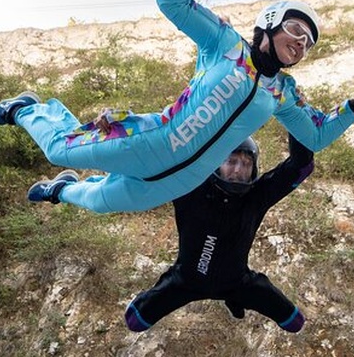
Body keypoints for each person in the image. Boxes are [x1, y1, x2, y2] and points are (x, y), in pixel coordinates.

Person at [0, 0, 354, 213]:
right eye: (295, 29)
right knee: (56, 147)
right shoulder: (225, 44)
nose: (300, 42)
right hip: (149, 143)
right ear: (270, 23)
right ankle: (28, 109)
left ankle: (62, 190)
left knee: (99, 202)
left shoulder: (283, 92)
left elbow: (315, 135)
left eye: (308, 42)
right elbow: (170, 2)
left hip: (183, 180)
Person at [124, 133, 312, 333]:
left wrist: (294, 110)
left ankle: (234, 299)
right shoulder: (191, 187)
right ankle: (234, 301)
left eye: (246, 163)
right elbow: (148, 160)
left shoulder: (258, 196)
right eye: (231, 161)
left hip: (237, 283)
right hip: (186, 281)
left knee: (295, 323)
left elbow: (302, 166)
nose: (238, 170)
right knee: (134, 321)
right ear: (217, 164)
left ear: (253, 169)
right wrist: (112, 127)